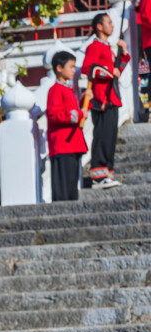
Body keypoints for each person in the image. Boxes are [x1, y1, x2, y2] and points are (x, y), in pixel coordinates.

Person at [83, 12, 129, 189]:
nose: (112, 25)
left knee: (110, 137)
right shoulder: (94, 46)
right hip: (102, 97)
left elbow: (118, 70)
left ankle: (107, 172)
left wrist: (123, 53)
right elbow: (89, 69)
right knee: (102, 136)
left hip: (112, 97)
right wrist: (109, 73)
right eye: (109, 22)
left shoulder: (108, 47)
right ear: (99, 27)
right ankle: (98, 174)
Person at [45, 51, 87, 201]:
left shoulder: (67, 89)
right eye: (71, 67)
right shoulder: (55, 90)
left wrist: (83, 103)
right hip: (63, 145)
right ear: (59, 68)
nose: (73, 70)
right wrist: (80, 114)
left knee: (71, 186)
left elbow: (70, 111)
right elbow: (54, 115)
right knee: (63, 188)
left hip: (72, 144)